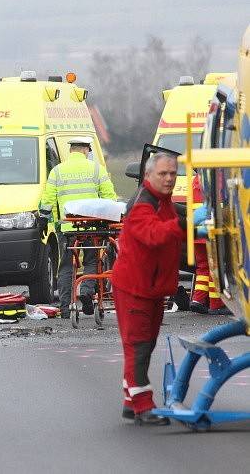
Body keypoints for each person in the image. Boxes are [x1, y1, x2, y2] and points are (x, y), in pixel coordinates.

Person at [112, 152, 186, 426]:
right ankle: (143, 405)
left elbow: (174, 224)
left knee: (144, 344)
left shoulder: (162, 201)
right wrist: (181, 225)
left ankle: (131, 402)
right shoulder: (143, 205)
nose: (169, 178)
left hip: (150, 288)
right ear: (148, 176)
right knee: (139, 347)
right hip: (136, 288)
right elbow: (153, 235)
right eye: (163, 174)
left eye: (173, 174)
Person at [39, 137, 117, 318]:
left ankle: (65, 308)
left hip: (67, 229)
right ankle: (88, 290)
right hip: (91, 228)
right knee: (92, 261)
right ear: (85, 150)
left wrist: (43, 219)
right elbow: (109, 197)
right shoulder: (97, 169)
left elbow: (48, 199)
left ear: (71, 151)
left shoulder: (57, 171)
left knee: (65, 266)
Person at [189, 175, 232, 315]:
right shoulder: (218, 178)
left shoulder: (194, 180)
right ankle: (216, 304)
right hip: (210, 231)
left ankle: (198, 300)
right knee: (216, 267)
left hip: (196, 232)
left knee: (203, 268)